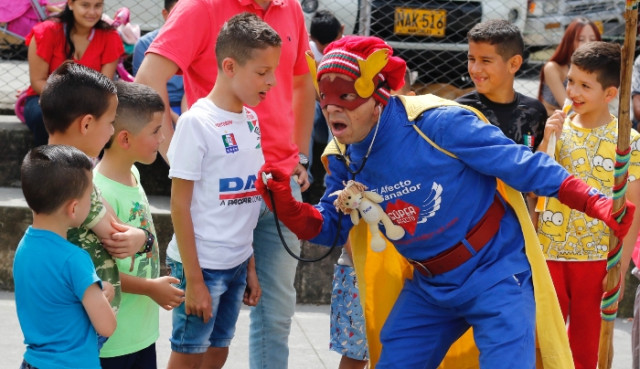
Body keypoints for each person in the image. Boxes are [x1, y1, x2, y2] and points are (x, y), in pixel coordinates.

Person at [255, 35, 636, 369]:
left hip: (496, 271)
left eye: (346, 97)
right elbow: (330, 228)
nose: (332, 108)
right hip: (430, 285)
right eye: (326, 99)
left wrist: (596, 204)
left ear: (377, 98)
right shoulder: (343, 154)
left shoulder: (436, 122)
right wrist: (287, 205)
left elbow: (524, 165)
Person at [134, 1, 316, 368]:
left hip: (278, 184)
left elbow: (300, 82)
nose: (269, 80)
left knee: (272, 316)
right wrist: (183, 161)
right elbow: (147, 80)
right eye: (263, 72)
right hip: (216, 203)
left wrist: (300, 156)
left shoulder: (291, 9)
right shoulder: (200, 7)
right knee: (193, 345)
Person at [164, 13, 275, 368]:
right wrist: (194, 282)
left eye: (273, 71)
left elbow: (247, 203)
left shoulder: (253, 121)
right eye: (262, 72)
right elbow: (179, 207)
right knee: (187, 356)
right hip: (199, 267)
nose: (271, 81)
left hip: (237, 264)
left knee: (219, 350)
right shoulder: (197, 123)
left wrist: (251, 267)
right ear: (229, 65)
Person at [537, 41, 640, 369]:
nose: (572, 91)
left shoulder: (629, 140)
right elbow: (535, 180)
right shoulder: (559, 126)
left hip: (596, 258)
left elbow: (632, 209)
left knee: (586, 348)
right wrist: (545, 140)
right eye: (570, 81)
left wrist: (620, 266)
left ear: (609, 94)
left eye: (584, 85)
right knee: (544, 341)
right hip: (549, 252)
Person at [42, 61, 149, 315]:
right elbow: (115, 232)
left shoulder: (47, 164)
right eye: (111, 122)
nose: (112, 131)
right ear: (87, 124)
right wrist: (143, 237)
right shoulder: (73, 178)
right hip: (82, 313)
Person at [94, 81, 186, 368]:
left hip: (142, 333)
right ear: (125, 139)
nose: (162, 139)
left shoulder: (132, 171)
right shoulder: (100, 193)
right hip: (114, 341)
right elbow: (97, 275)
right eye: (156, 131)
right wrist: (149, 287)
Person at [14, 144, 117, 369]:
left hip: (33, 362)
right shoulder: (75, 259)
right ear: (73, 208)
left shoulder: (23, 247)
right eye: (90, 196)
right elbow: (107, 326)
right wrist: (103, 295)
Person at [24, 0, 124, 147]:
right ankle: (46, 165)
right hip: (46, 97)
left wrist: (81, 105)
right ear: (70, 4)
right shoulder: (46, 31)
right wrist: (68, 103)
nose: (92, 12)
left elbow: (105, 86)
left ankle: (93, 167)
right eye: (85, 5)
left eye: (98, 5)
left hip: (91, 102)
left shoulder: (110, 36)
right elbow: (38, 81)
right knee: (44, 118)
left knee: (108, 120)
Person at [456, 19, 546, 152]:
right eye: (471, 59)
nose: (475, 69)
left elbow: (539, 164)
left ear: (514, 64)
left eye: (485, 61)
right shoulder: (460, 111)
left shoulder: (534, 112)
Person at [306, 9, 344, 200]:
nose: (328, 50)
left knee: (336, 119)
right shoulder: (307, 51)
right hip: (317, 103)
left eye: (332, 44)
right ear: (311, 38)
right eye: (323, 47)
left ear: (342, 32)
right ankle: (308, 182)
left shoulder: (347, 50)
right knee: (308, 114)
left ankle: (333, 181)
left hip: (334, 106)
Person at [538, 17, 601, 116]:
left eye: (593, 39)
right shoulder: (553, 68)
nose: (588, 43)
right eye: (581, 39)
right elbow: (570, 108)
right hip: (554, 123)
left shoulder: (598, 69)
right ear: (570, 41)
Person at [131, 0, 184, 116]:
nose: (185, 21)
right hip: (155, 105)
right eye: (180, 14)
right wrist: (176, 118)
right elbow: (145, 92)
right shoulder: (144, 44)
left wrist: (185, 117)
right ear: (165, 14)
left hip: (189, 104)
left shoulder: (196, 42)